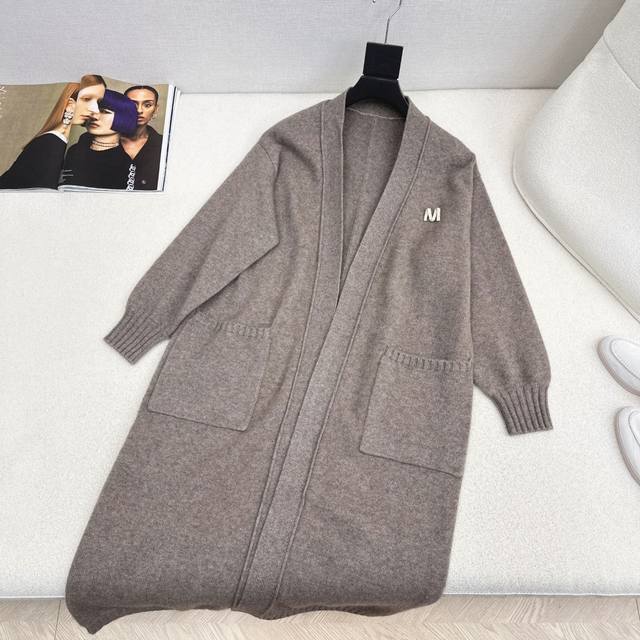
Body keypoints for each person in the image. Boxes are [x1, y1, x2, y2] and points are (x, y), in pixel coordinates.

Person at [0, 75, 106, 189]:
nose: (95, 109)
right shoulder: (51, 142)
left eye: (98, 102)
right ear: (70, 104)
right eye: (87, 99)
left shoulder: (56, 140)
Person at [60, 89, 138, 190]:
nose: (94, 116)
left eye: (104, 111)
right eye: (91, 110)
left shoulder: (123, 163)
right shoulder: (75, 150)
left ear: (123, 117)